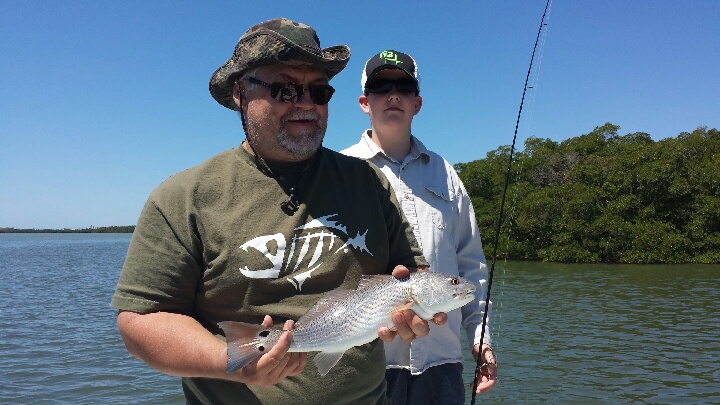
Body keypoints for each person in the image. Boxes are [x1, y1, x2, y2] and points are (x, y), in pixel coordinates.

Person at [111, 20, 446, 405]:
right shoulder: (183, 197)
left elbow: (411, 271)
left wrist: (418, 308)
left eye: (318, 91)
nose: (305, 102)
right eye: (285, 89)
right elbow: (140, 321)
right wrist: (230, 361)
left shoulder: (367, 181)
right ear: (240, 92)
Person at [342, 50, 498, 404]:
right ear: (365, 102)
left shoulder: (446, 173)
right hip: (366, 361)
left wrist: (480, 337)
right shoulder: (339, 170)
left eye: (404, 86)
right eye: (381, 86)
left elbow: (470, 263)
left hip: (441, 363)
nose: (393, 94)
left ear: (418, 103)